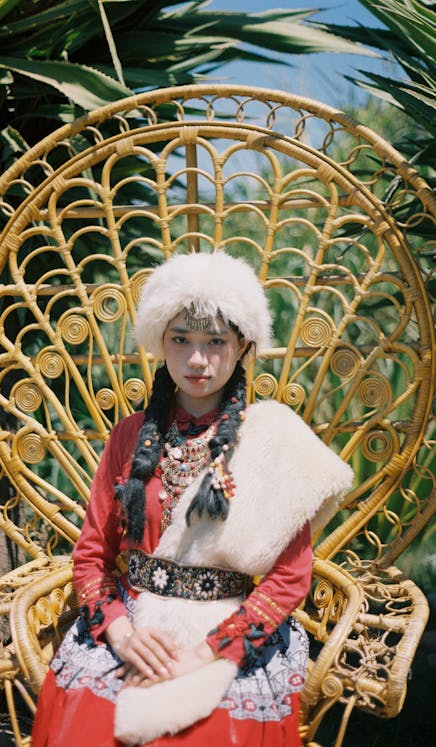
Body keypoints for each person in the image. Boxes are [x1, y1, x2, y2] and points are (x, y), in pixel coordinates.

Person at [31, 251, 353, 746]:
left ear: (242, 344)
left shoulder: (269, 444)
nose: (197, 360)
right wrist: (121, 635)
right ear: (161, 342)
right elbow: (93, 557)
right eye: (181, 340)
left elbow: (290, 578)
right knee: (92, 717)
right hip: (135, 628)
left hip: (225, 629)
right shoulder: (128, 437)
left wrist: (208, 652)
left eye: (215, 342)